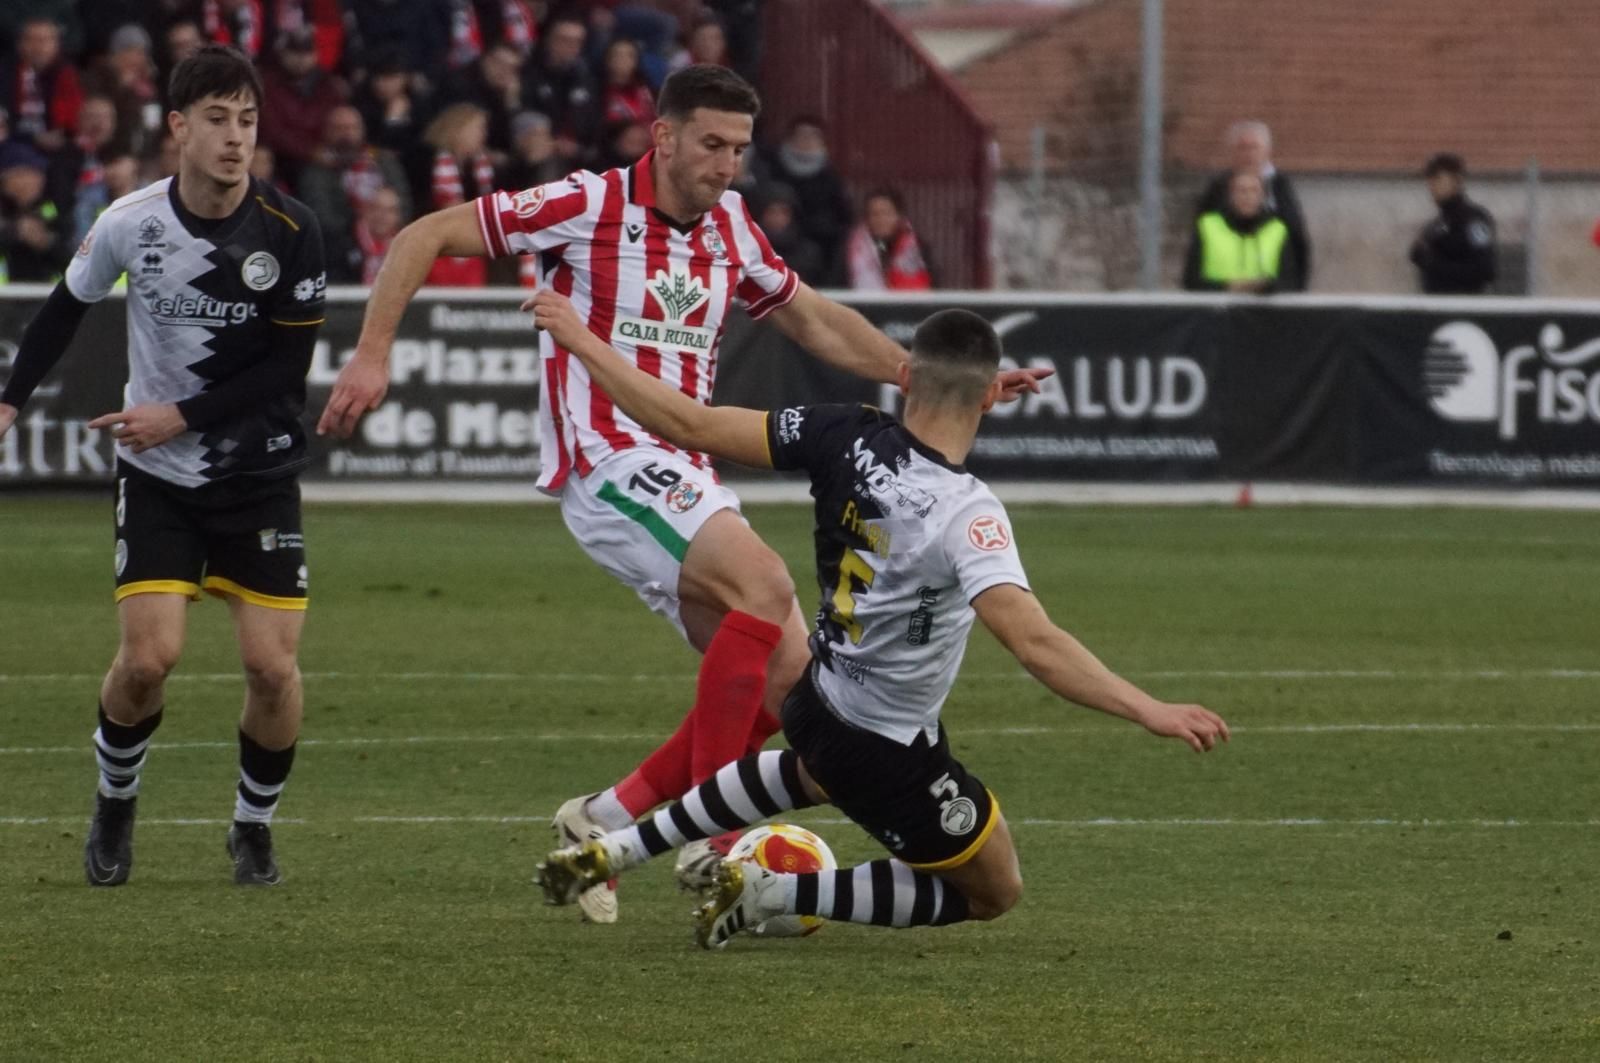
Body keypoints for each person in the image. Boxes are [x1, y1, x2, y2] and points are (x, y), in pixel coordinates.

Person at [316, 64, 1047, 924]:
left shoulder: (732, 226)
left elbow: (810, 316)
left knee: (796, 696)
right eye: (710, 143)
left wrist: (917, 373)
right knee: (766, 583)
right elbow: (426, 234)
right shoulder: (585, 205)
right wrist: (371, 353)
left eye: (739, 147)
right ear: (662, 137)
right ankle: (698, 839)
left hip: (685, 473)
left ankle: (602, 819)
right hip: (609, 459)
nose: (727, 164)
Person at [530, 298, 1229, 947]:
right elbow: (1035, 640)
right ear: (991, 395)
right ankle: (771, 892)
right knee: (994, 888)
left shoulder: (841, 430)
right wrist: (1149, 708)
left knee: (809, 773)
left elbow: (689, 423)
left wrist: (582, 341)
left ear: (905, 380)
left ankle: (616, 840)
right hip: (887, 744)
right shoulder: (968, 512)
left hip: (817, 696)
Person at [0, 44, 326, 887]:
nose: (235, 138)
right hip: (159, 482)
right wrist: (9, 400)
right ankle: (115, 803)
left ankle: (252, 826)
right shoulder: (129, 222)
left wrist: (176, 413)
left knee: (272, 668)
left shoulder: (290, 231)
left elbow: (284, 374)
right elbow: (63, 312)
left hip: (256, 475)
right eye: (217, 119)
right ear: (178, 127)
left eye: (247, 121)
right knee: (147, 661)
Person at [1195, 120, 1309, 291]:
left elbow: (1297, 237)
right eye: (1242, 148)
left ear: (1267, 151)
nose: (1248, 154)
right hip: (1219, 302)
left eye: (1254, 148)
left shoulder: (1280, 187)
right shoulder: (1217, 188)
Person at [1182, 170, 1302, 294]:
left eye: (1254, 191)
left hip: (1263, 312)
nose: (1247, 197)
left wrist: (1264, 287)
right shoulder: (1208, 226)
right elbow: (1191, 281)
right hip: (1217, 310)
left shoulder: (1277, 230)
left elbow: (1290, 283)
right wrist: (1228, 286)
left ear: (1263, 196)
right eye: (1241, 191)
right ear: (1230, 195)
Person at [761, 115, 852, 273]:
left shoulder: (831, 178)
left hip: (819, 252)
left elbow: (843, 219)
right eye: (802, 135)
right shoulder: (773, 169)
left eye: (813, 136)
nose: (807, 141)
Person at [1409, 152, 1495, 295]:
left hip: (1463, 305)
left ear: (1456, 181)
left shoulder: (1473, 219)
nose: (1431, 186)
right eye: (1429, 179)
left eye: (1437, 178)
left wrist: (1435, 265)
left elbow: (1485, 269)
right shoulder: (1436, 225)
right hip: (1434, 303)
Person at [0, 16, 83, 152]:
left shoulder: (68, 75)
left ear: (57, 45)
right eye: (32, 40)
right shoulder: (5, 74)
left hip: (61, 144)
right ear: (20, 44)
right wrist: (33, 138)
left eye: (45, 40)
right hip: (12, 143)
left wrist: (63, 134)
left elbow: (76, 118)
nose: (39, 47)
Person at [845, 187, 933, 290]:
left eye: (887, 213)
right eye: (874, 214)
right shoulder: (853, 248)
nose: (881, 220)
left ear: (899, 216)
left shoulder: (919, 248)